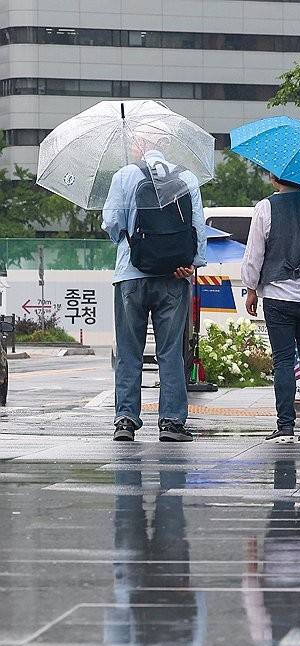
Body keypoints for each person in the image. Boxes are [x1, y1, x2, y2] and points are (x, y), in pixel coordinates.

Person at [102, 128, 206, 442]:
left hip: (131, 274)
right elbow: (197, 225)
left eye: (134, 142)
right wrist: (192, 264)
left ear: (142, 144)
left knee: (129, 351)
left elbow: (111, 222)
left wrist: (126, 238)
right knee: (170, 351)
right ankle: (172, 423)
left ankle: (125, 421)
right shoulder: (187, 178)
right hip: (175, 276)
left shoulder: (124, 176)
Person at [242, 173, 300, 444]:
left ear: (273, 177)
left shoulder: (265, 207)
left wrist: (251, 288)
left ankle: (285, 426)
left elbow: (254, 254)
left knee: (283, 362)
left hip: (278, 296)